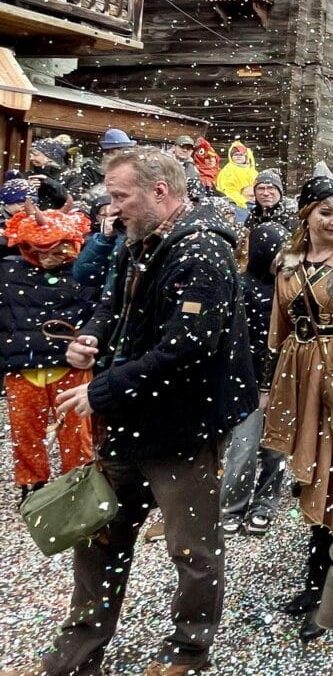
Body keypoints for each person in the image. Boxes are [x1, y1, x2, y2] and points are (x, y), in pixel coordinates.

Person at [1, 149, 258, 676]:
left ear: (159, 191)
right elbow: (112, 302)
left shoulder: (203, 251)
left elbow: (188, 348)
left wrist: (104, 389)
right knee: (99, 540)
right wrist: (92, 337)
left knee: (193, 550)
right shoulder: (140, 241)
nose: (112, 209)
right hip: (128, 423)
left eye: (121, 196)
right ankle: (76, 655)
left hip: (184, 427)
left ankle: (188, 651)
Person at [262, 172, 333, 643]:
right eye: (325, 212)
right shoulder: (287, 262)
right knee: (311, 474)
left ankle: (330, 588)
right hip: (297, 373)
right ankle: (315, 576)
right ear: (306, 216)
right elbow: (278, 328)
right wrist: (270, 387)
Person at [0, 208, 96, 503]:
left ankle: (76, 482)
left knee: (75, 432)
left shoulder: (87, 271)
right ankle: (33, 483)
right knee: (25, 431)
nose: (47, 257)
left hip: (67, 365)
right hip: (23, 366)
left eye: (56, 250)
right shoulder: (8, 269)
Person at [221, 221, 288, 537]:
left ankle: (265, 505)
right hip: (247, 384)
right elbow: (236, 343)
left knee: (276, 451)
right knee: (243, 449)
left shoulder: (286, 289)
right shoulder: (241, 288)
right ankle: (233, 505)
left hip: (283, 382)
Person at [245, 169, 299, 233]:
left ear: (280, 191)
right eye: (261, 188)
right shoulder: (253, 216)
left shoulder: (293, 215)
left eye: (270, 188)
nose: (265, 193)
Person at [216, 140, 258, 216]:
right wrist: (243, 201)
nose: (238, 156)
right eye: (235, 155)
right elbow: (228, 191)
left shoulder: (253, 171)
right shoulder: (227, 172)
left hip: (254, 203)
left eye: (241, 155)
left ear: (246, 157)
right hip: (236, 205)